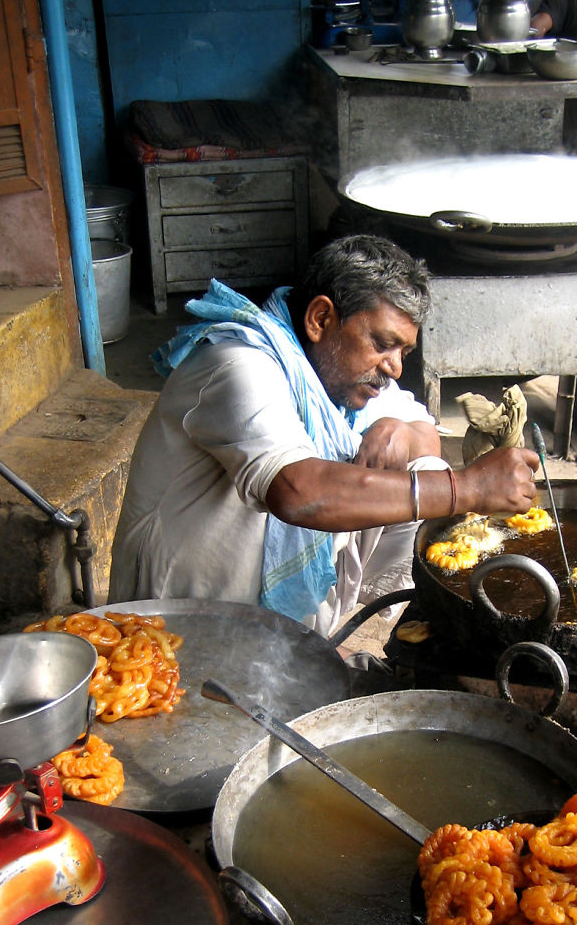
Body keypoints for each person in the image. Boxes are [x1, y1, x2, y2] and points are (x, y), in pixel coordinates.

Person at [108, 235, 540, 636]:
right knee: (438, 487)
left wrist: (403, 434)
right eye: (383, 344)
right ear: (320, 319)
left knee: (424, 469)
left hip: (257, 621)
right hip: (178, 623)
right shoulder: (236, 366)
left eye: (403, 353)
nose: (394, 367)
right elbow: (296, 492)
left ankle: (307, 633)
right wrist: (467, 487)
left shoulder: (341, 375)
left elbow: (425, 436)